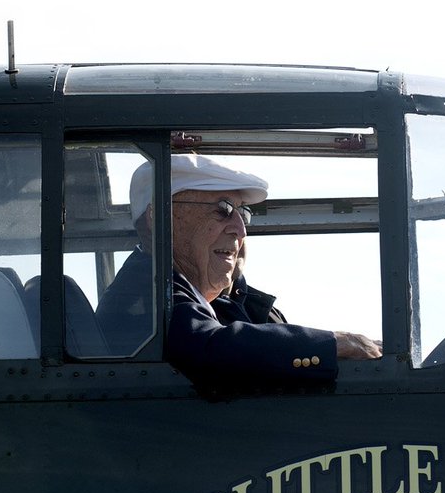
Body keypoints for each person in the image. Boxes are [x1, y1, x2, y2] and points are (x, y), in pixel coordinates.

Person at [94, 154, 380, 386]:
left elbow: (257, 336)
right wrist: (334, 344)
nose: (240, 229)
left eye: (242, 213)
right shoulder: (143, 292)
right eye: (223, 209)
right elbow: (211, 348)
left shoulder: (203, 296)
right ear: (160, 216)